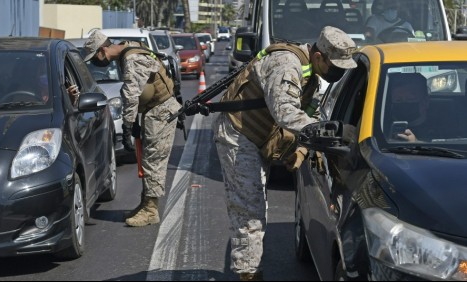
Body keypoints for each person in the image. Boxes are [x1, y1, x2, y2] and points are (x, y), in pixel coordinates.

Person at [211, 26, 357, 281]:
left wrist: (302, 145)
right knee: (249, 210)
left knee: (257, 206)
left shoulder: (309, 68)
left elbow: (308, 110)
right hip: (238, 136)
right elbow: (285, 112)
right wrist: (328, 133)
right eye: (335, 66)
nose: (338, 72)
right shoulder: (286, 64)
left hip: (259, 135)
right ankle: (249, 274)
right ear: (319, 56)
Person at [83, 29, 180, 227]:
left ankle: (151, 210)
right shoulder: (131, 47)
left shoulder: (132, 59)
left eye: (95, 57)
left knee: (153, 160)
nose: (96, 62)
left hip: (160, 111)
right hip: (154, 110)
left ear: (102, 51)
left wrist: (127, 126)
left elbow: (131, 94)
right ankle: (146, 203)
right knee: (148, 158)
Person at [388, 73, 430, 142]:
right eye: (398, 100)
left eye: (410, 99)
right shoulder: (382, 127)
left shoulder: (442, 129)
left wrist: (416, 143)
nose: (404, 104)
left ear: (425, 102)